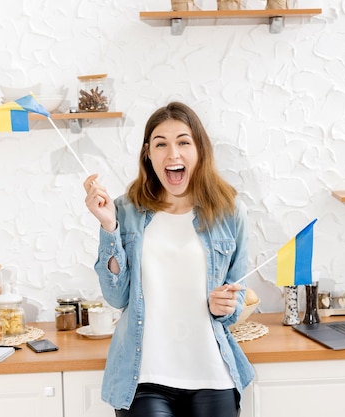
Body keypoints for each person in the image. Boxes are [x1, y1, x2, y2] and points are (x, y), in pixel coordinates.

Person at [83, 102, 254, 417]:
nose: (172, 153)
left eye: (183, 142)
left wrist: (225, 307)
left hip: (212, 374)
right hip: (145, 375)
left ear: (199, 149)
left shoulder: (231, 213)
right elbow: (116, 295)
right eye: (161, 144)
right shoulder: (125, 211)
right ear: (148, 153)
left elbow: (237, 298)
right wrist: (109, 226)